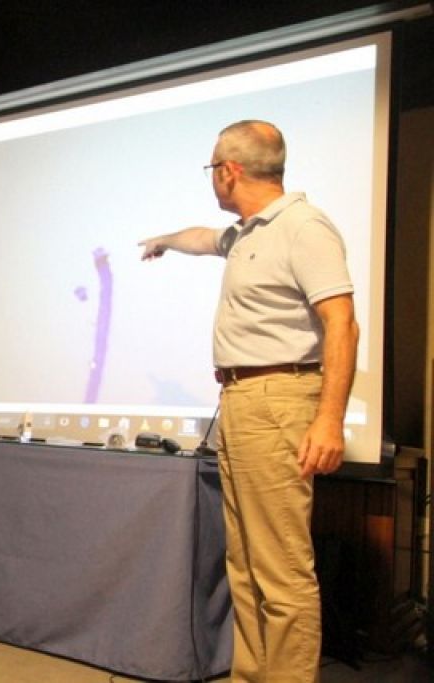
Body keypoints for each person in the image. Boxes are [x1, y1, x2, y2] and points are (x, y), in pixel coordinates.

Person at [138, 120, 358, 681]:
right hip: (241, 399)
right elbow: (201, 237)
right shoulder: (247, 233)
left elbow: (342, 323)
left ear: (230, 171)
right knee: (245, 562)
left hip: (279, 400)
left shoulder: (303, 227)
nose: (212, 176)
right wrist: (163, 240)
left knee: (280, 567)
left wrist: (329, 420)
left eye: (212, 166)